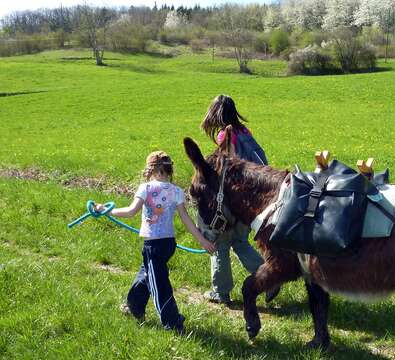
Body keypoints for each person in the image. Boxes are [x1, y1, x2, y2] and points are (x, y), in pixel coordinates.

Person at [95, 151, 215, 332]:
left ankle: (173, 323)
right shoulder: (176, 191)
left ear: (150, 169)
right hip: (168, 244)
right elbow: (186, 219)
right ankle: (133, 307)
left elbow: (130, 211)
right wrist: (202, 241)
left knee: (158, 285)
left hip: (153, 245)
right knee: (146, 274)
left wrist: (106, 210)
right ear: (168, 170)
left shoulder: (146, 188)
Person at [199, 94, 279, 305]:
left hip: (233, 200)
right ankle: (269, 280)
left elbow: (228, 168)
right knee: (240, 241)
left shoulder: (226, 135)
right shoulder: (245, 131)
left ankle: (220, 292)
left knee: (220, 242)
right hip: (251, 201)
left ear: (216, 113)